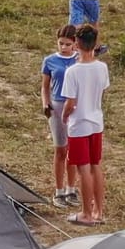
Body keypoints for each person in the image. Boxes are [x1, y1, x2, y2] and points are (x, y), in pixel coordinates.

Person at [58, 25, 110, 225]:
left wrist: (64, 116)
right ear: (95, 44)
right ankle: (98, 210)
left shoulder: (73, 72)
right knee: (96, 166)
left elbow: (70, 103)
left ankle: (86, 213)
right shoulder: (102, 67)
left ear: (77, 44)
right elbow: (102, 92)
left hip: (79, 124)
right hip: (96, 122)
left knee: (83, 169)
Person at [39, 25, 82, 207]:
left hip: (74, 106)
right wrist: (45, 104)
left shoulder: (79, 60)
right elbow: (45, 86)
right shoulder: (49, 60)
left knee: (73, 150)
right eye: (61, 43)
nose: (63, 47)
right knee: (60, 150)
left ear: (74, 44)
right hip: (57, 105)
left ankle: (71, 188)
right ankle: (58, 190)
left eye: (67, 44)